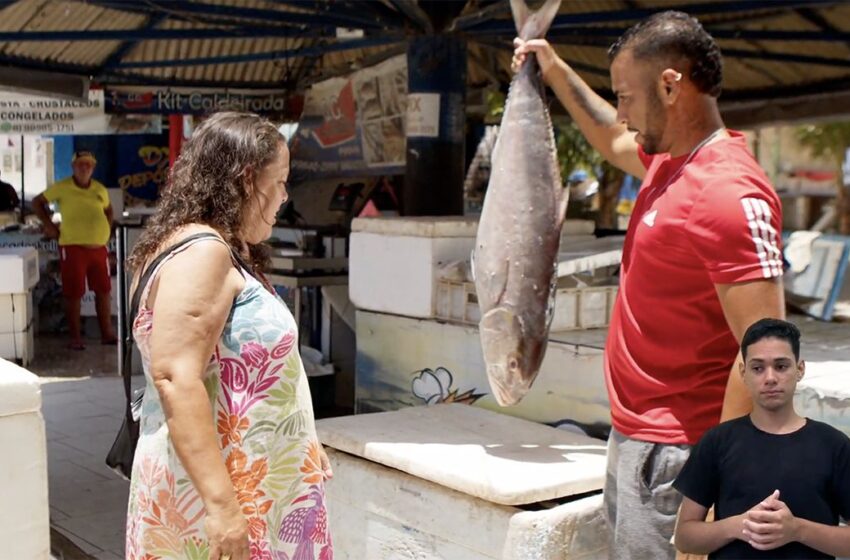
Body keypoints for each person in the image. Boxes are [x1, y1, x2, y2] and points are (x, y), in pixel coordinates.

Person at [513, 10, 785, 559]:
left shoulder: (727, 193)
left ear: (670, 86)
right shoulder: (671, 163)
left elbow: (765, 348)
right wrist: (554, 67)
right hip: (638, 439)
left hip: (681, 456)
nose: (622, 112)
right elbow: (610, 138)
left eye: (627, 97)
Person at [124, 112, 333, 560]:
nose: (284, 196)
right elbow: (176, 378)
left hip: (252, 482)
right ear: (245, 180)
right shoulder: (204, 252)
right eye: (278, 182)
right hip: (221, 497)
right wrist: (222, 508)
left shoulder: (217, 247)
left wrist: (297, 440)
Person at [674, 318, 850, 559]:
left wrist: (797, 530)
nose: (770, 378)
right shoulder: (718, 441)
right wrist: (738, 526)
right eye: (758, 368)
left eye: (781, 366)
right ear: (743, 373)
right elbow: (685, 536)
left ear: (800, 369)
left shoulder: (833, 445)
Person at [33, 150, 117, 350]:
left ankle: (106, 334)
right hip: (72, 247)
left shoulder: (99, 189)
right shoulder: (62, 187)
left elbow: (109, 208)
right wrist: (49, 225)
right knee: (74, 293)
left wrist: (107, 227)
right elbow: (37, 202)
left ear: (93, 167)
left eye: (88, 164)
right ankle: (75, 338)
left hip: (99, 248)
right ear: (73, 166)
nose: (84, 167)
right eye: (80, 164)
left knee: (104, 291)